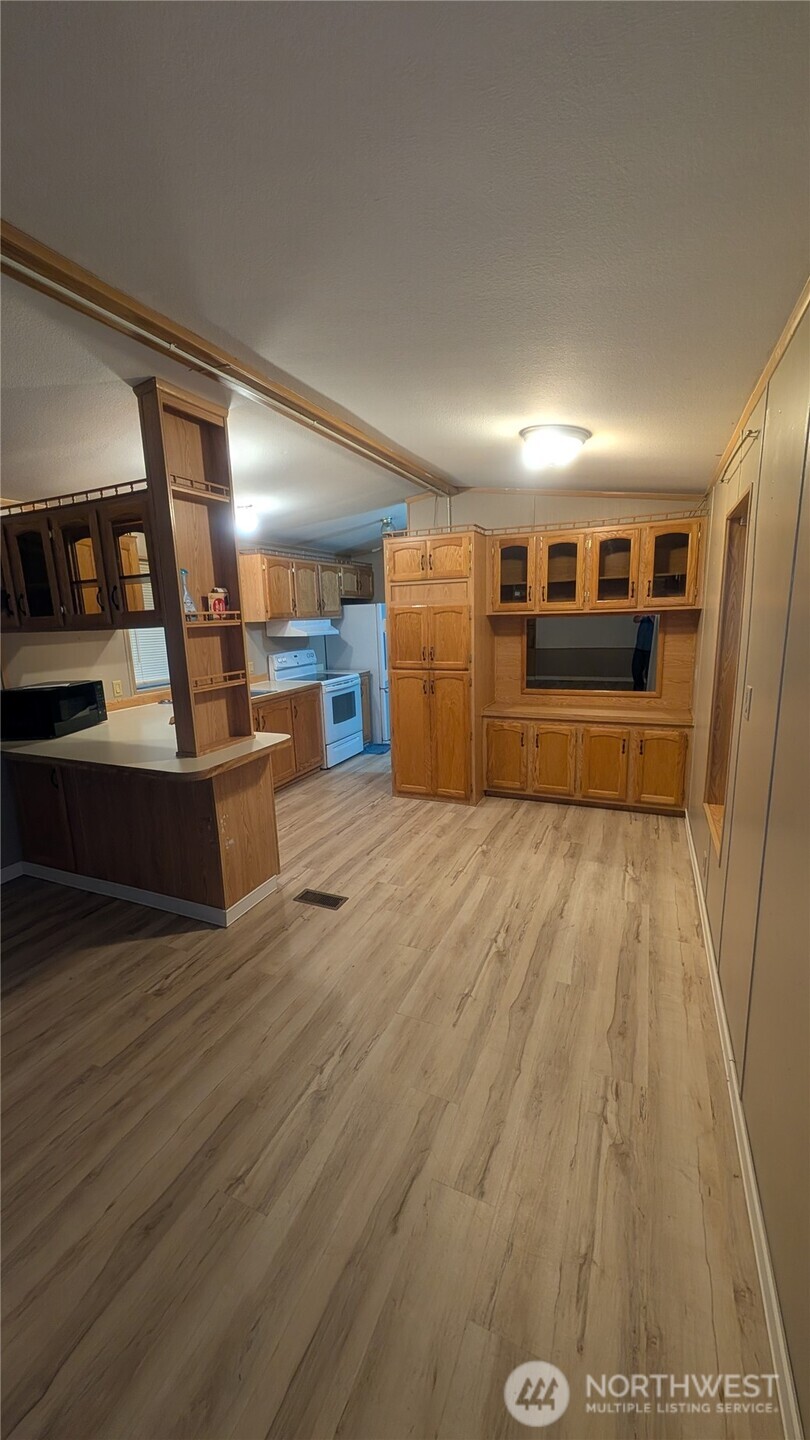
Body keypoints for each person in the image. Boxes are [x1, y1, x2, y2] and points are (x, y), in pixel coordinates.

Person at [632, 614, 654, 690]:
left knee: (649, 674)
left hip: (651, 649)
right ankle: (638, 691)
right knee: (636, 671)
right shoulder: (644, 611)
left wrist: (651, 616)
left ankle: (649, 691)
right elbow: (635, 619)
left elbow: (659, 623)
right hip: (639, 646)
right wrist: (643, 616)